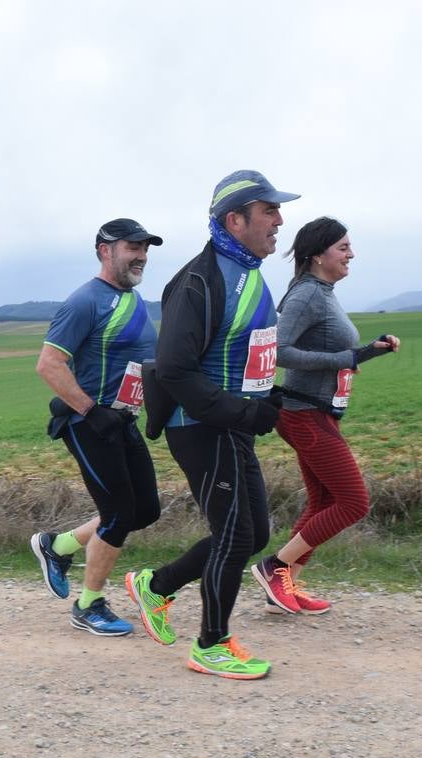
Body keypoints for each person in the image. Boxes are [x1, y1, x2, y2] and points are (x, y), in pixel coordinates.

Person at [131, 169, 299, 680]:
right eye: (268, 211)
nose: (279, 220)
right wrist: (246, 412)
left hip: (232, 423)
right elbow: (177, 369)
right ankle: (212, 643)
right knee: (233, 532)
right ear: (235, 218)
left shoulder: (247, 270)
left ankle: (156, 587)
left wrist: (272, 396)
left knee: (253, 536)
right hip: (200, 424)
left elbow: (247, 353)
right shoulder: (201, 279)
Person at [29, 218, 174, 643]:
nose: (142, 254)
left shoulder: (133, 299)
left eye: (145, 247)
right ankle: (88, 605)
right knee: (118, 516)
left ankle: (57, 548)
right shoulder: (85, 302)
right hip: (88, 423)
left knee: (145, 510)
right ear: (104, 250)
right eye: (132, 246)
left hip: (122, 420)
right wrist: (91, 411)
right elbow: (48, 365)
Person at [249, 217, 400, 614]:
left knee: (323, 502)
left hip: (319, 412)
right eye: (343, 247)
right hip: (303, 413)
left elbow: (334, 353)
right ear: (317, 255)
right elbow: (279, 351)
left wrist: (369, 351)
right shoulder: (306, 295)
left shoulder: (324, 292)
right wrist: (343, 358)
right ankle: (274, 567)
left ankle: (285, 584)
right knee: (353, 502)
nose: (352, 254)